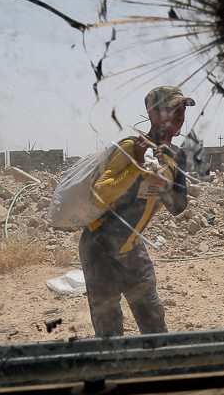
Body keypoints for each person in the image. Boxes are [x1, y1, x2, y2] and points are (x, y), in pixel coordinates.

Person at [78, 86, 194, 337]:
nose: (180, 114)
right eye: (172, 108)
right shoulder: (130, 147)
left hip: (132, 248)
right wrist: (138, 166)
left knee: (154, 322)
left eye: (183, 108)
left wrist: (163, 184)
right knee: (109, 328)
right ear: (152, 113)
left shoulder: (176, 156)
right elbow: (101, 192)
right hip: (100, 248)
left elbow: (178, 206)